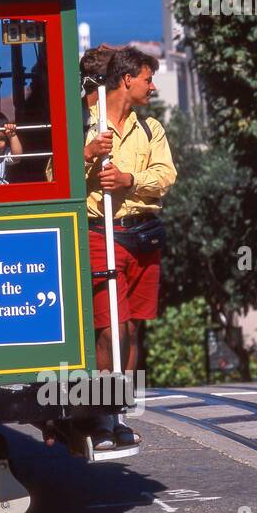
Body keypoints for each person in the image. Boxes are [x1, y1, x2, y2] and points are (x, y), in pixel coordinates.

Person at [84, 46, 177, 449]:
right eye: (147, 79)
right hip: (101, 234)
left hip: (144, 235)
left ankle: (119, 413)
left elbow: (165, 176)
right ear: (126, 80)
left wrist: (128, 181)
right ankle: (102, 418)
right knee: (111, 328)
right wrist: (87, 154)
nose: (151, 87)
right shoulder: (83, 124)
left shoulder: (150, 128)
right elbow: (54, 172)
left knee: (134, 328)